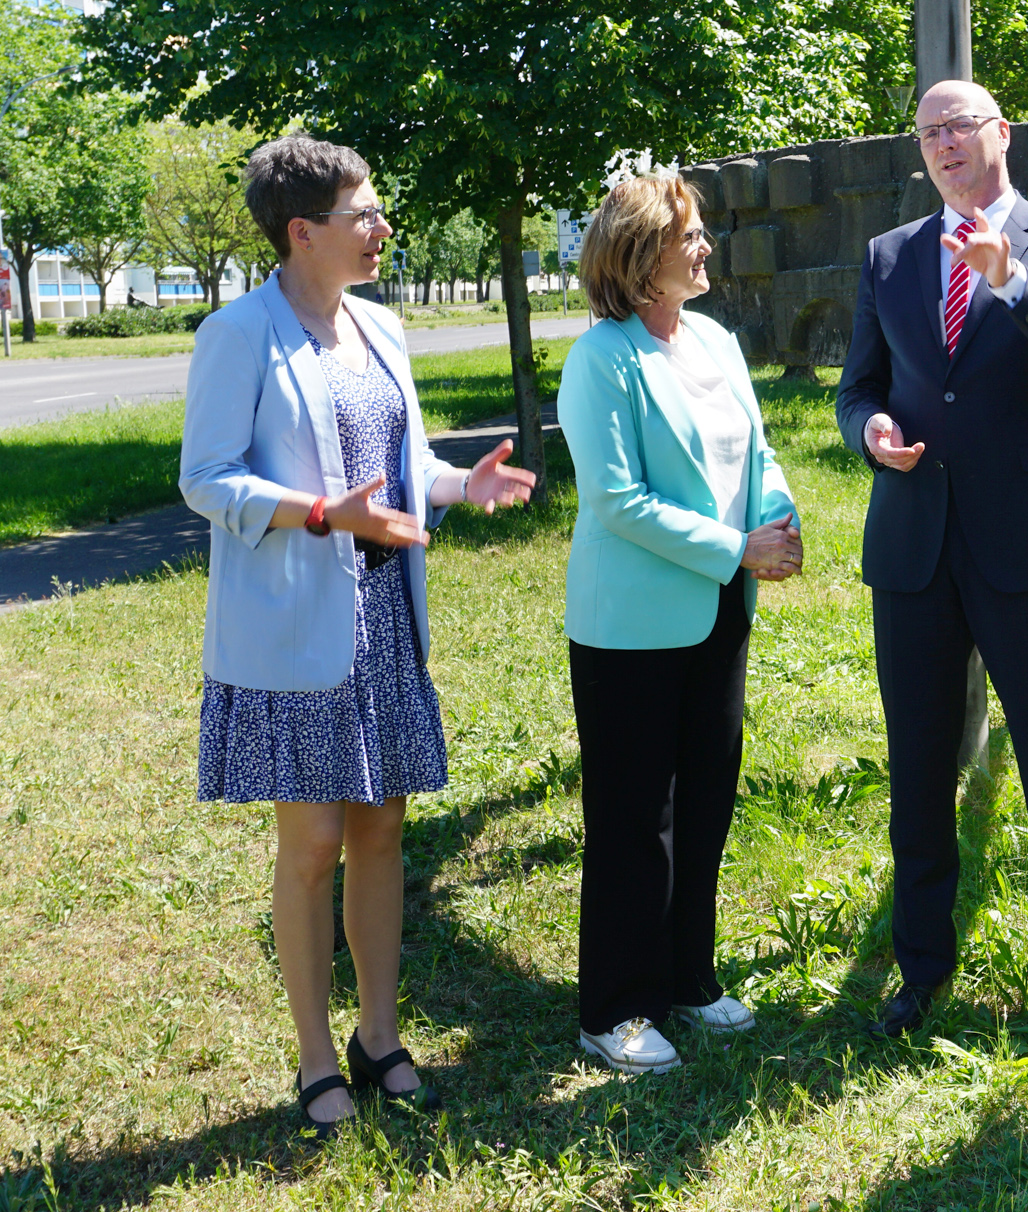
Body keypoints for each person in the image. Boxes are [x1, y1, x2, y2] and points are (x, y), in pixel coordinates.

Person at [181, 134, 536, 1137]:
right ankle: (314, 1056)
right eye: (364, 216)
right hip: (294, 630)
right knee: (316, 843)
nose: (383, 230)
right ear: (302, 232)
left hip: (384, 621)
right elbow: (206, 480)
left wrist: (462, 483)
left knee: (383, 830)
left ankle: (380, 1034)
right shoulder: (238, 333)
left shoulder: (381, 326)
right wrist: (323, 513)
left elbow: (402, 465)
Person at [835, 80, 1028, 1048]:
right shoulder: (890, 255)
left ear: (1003, 133)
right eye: (928, 133)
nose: (944, 144)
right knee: (920, 769)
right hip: (915, 543)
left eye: (959, 125)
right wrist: (867, 429)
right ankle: (920, 973)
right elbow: (860, 386)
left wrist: (1008, 279)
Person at [558, 174, 803, 1076]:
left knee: (704, 799)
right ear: (640, 252)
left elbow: (758, 449)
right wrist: (739, 548)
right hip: (629, 625)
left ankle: (688, 981)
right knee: (634, 817)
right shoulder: (601, 359)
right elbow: (618, 501)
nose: (706, 248)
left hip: (717, 612)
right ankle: (615, 1008)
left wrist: (779, 522)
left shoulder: (715, 341)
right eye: (689, 235)